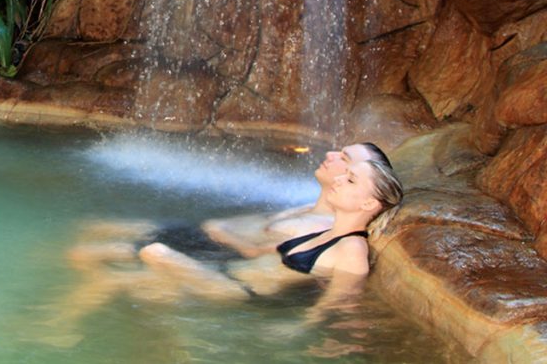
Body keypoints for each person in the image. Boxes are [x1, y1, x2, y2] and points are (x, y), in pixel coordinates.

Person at [35, 147, 403, 345]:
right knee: (115, 279)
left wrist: (299, 327)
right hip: (222, 272)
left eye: (351, 179)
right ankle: (57, 327)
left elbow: (342, 297)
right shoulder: (323, 231)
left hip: (239, 290)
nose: (340, 179)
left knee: (154, 253)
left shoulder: (351, 248)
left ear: (369, 204)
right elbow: (263, 253)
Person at [67, 142, 393, 270]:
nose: (333, 156)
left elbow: (263, 257)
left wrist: (221, 235)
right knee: (90, 236)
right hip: (205, 240)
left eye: (348, 165)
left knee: (95, 254)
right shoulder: (306, 207)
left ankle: (63, 323)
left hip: (217, 255)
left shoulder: (329, 229)